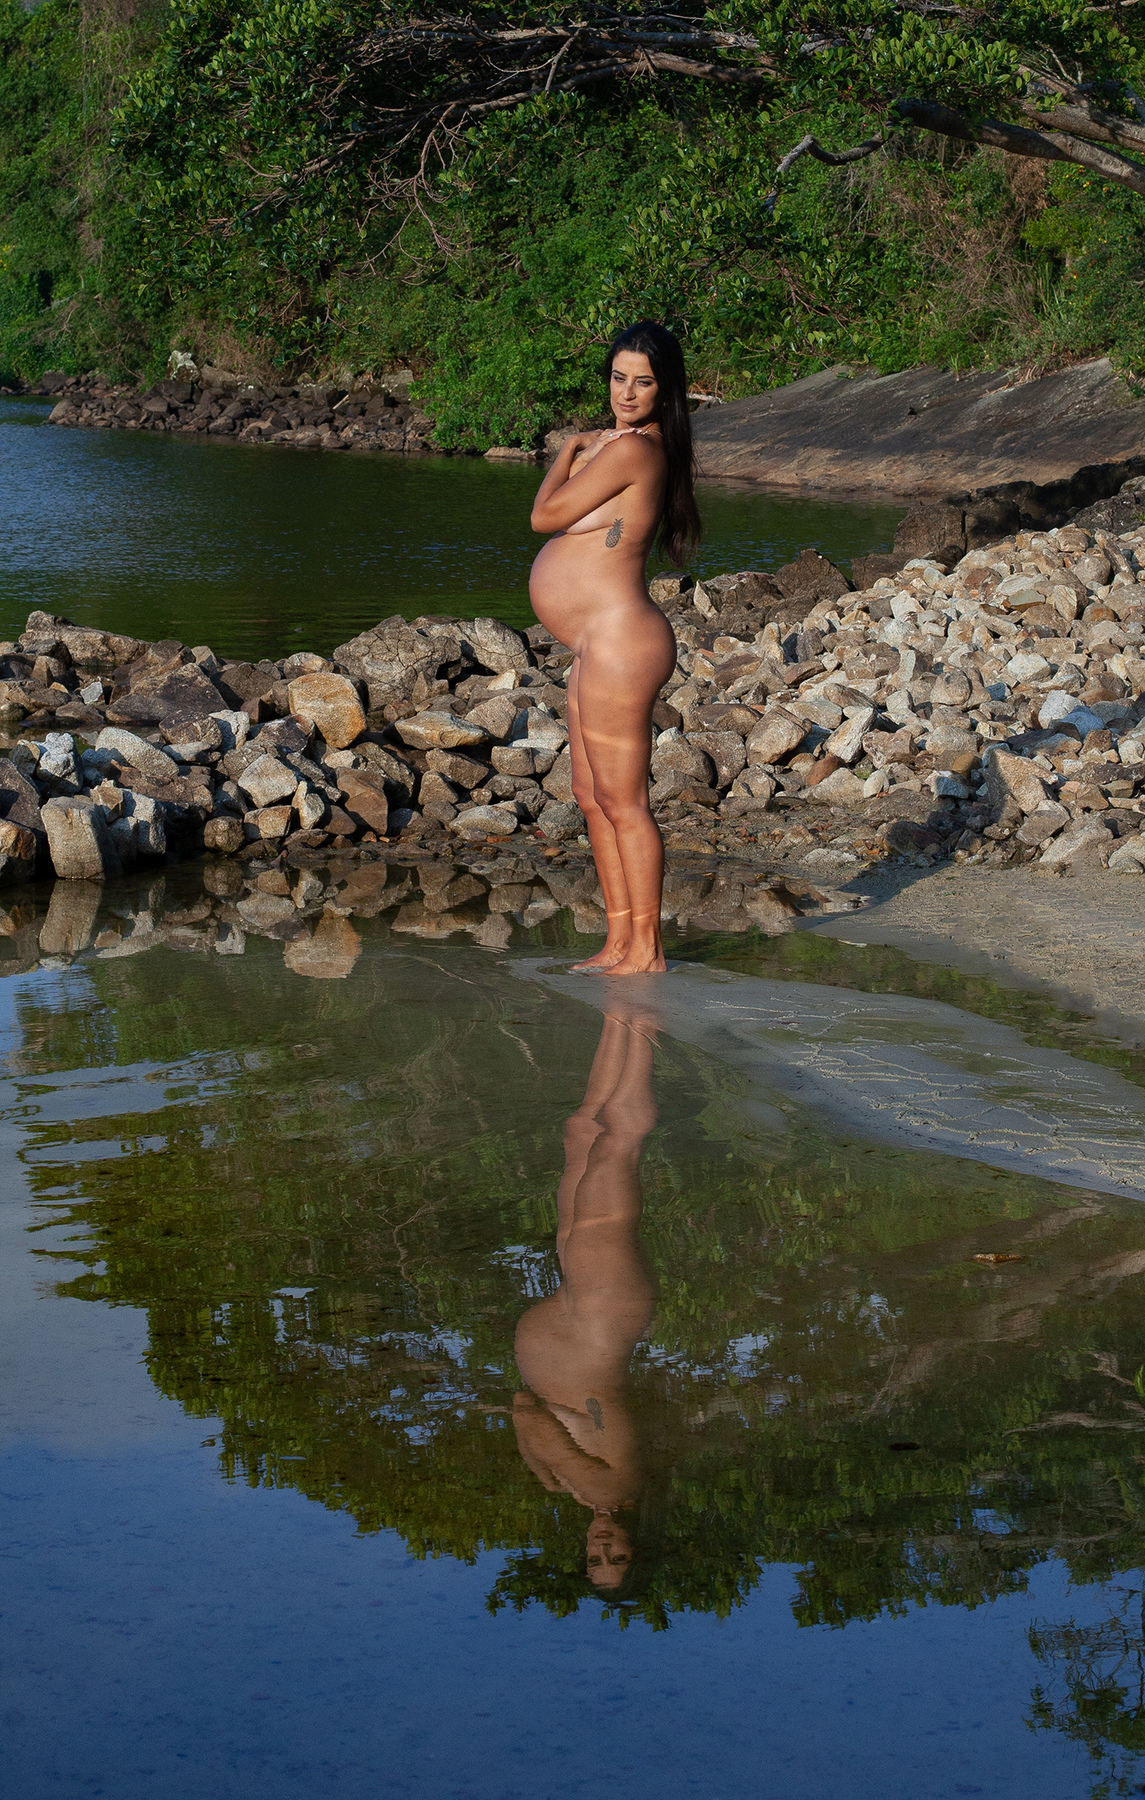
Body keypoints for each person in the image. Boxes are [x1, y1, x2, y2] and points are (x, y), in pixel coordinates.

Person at [529, 321, 702, 975]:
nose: (626, 393)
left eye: (643, 382)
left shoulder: (632, 450)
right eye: (618, 377)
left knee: (625, 803)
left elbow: (544, 517)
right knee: (591, 795)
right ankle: (619, 940)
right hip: (595, 645)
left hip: (622, 644)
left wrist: (570, 448)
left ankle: (648, 950)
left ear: (666, 390)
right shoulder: (630, 447)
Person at [512, 1005, 659, 1594]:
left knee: (584, 1133)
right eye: (617, 1557)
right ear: (634, 1544)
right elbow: (528, 1416)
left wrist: (549, 1468)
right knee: (619, 1145)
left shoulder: (582, 1491)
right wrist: (544, 1465)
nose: (602, 1550)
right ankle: (644, 1018)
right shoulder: (609, 1489)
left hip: (583, 1303)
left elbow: (527, 1409)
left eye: (595, 1562)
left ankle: (618, 1013)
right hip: (600, 1308)